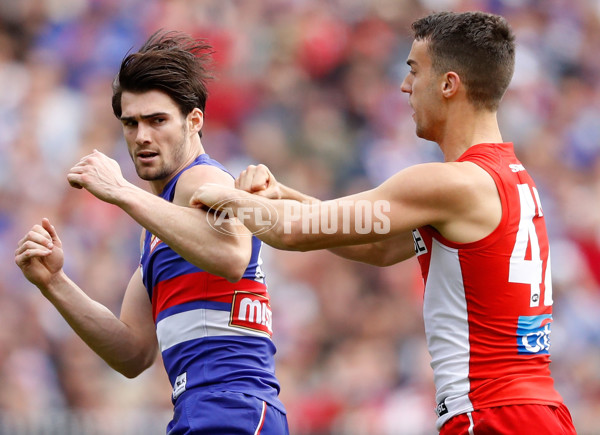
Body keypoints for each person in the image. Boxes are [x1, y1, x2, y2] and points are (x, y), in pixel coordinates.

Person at [191, 11, 577, 434]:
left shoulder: (450, 183)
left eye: (414, 70)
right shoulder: (505, 177)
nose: (404, 85)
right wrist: (286, 195)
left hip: (491, 414)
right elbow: (376, 245)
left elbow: (291, 232)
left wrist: (220, 194)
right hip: (537, 411)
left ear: (449, 84)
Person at [14, 31, 288, 435]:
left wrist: (121, 190)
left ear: (194, 121)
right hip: (203, 409)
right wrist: (54, 282)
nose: (142, 135)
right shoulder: (159, 229)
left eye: (157, 120)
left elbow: (232, 256)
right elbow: (132, 353)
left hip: (232, 407)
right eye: (131, 123)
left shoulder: (201, 179)